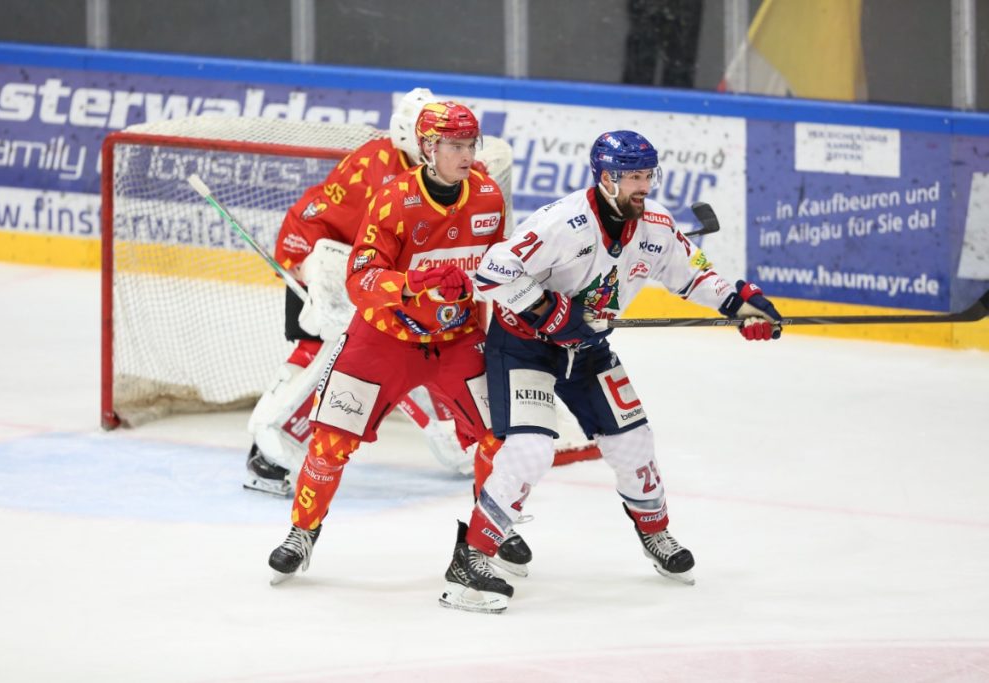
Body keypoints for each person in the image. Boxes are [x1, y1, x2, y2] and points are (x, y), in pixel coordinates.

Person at [437, 130, 783, 613]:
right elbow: (493, 271)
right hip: (525, 348)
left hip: (588, 351)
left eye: (647, 175)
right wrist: (546, 309)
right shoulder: (563, 222)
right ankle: (470, 560)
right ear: (605, 178)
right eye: (633, 177)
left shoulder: (657, 226)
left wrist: (741, 303)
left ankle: (656, 536)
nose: (643, 185)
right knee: (531, 450)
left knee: (634, 442)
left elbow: (694, 272)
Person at [267, 101, 528, 587]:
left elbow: (495, 269)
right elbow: (360, 279)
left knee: (501, 435)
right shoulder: (392, 199)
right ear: (428, 148)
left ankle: (492, 524)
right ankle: (303, 532)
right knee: (331, 440)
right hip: (384, 340)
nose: (466, 154)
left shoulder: (489, 196)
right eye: (454, 145)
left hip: (457, 339)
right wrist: (415, 283)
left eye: (471, 145)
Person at [245, 88, 501, 497]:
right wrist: (300, 259)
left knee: (424, 350)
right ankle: (270, 450)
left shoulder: (448, 172)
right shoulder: (376, 169)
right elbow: (319, 220)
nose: (459, 152)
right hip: (333, 266)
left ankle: (453, 435)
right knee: (328, 350)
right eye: (440, 141)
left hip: (396, 283)